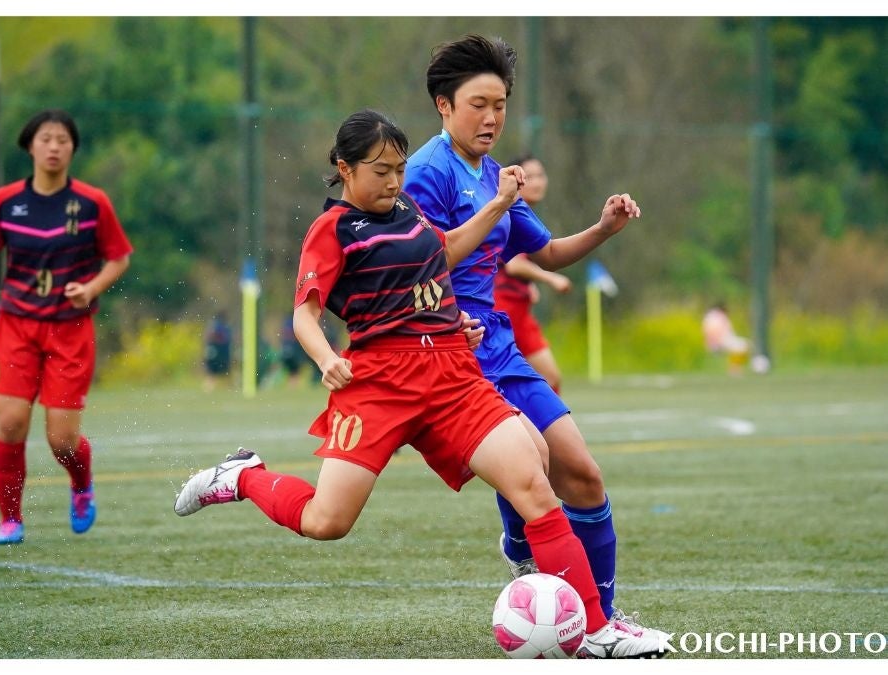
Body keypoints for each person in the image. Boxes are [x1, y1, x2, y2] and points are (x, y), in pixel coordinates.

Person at [174, 109, 666, 659]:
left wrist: (498, 211)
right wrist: (324, 358)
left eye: (399, 170)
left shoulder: (405, 207)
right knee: (326, 521)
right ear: (345, 168)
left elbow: (445, 251)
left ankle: (594, 629)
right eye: (380, 171)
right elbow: (304, 317)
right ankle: (244, 477)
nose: (393, 182)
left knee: (534, 480)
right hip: (379, 385)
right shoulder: (331, 230)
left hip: (451, 374)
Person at [404, 34, 668, 639]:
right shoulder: (425, 173)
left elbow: (546, 250)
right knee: (536, 466)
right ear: (443, 106)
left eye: (500, 103)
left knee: (584, 473)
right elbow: (422, 262)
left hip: (498, 344)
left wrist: (604, 228)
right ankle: (586, 619)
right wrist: (495, 211)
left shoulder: (496, 175)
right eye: (478, 103)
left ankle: (595, 609)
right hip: (451, 352)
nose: (492, 116)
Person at [0, 109, 133, 545]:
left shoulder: (92, 203)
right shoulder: (5, 202)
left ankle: (81, 485)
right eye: (46, 139)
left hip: (69, 332)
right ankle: (10, 519)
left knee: (62, 439)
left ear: (72, 149)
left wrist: (89, 289)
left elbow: (119, 258)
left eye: (63, 140)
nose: (54, 147)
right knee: (11, 422)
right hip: (15, 325)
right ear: (30, 146)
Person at [493, 155, 571, 393]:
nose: (537, 182)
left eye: (541, 175)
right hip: (503, 309)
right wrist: (551, 277)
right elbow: (515, 264)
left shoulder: (525, 214)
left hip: (517, 308)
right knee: (547, 377)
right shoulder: (508, 212)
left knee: (542, 379)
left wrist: (529, 285)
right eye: (530, 176)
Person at [702, 302, 750, 375]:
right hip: (720, 341)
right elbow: (711, 331)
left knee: (744, 344)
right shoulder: (714, 317)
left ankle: (735, 368)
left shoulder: (717, 316)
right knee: (740, 346)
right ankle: (734, 369)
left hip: (725, 339)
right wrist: (715, 343)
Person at [202, 310, 232, 390]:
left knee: (216, 369)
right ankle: (209, 387)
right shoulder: (218, 326)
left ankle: (211, 387)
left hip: (219, 351)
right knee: (213, 369)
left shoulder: (219, 325)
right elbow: (211, 336)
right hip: (217, 351)